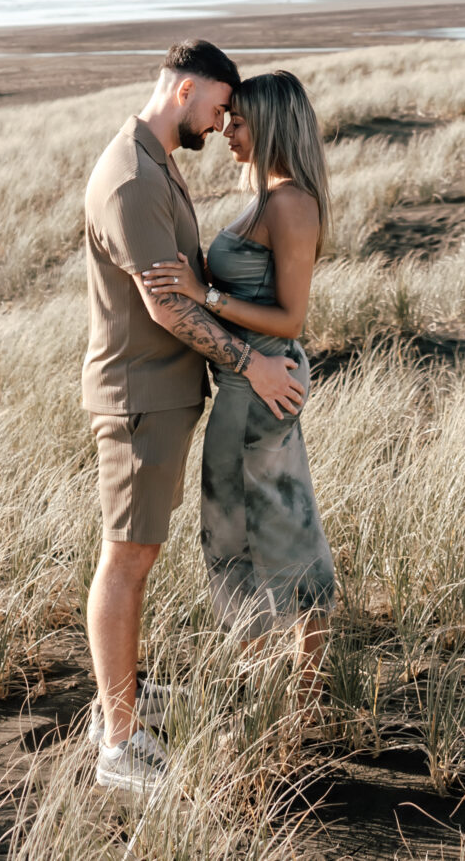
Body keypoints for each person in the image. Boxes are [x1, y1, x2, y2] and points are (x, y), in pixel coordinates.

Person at [81, 40, 305, 798]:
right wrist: (253, 363)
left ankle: (124, 706)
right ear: (186, 89)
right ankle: (118, 742)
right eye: (217, 107)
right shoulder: (132, 179)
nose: (220, 125)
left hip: (164, 397)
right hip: (140, 398)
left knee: (135, 554)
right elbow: (164, 302)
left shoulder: (153, 160)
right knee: (128, 558)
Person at [137, 70, 336, 695]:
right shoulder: (268, 195)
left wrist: (207, 294)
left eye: (240, 121)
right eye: (228, 117)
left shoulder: (290, 203)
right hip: (253, 384)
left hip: (258, 390)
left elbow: (291, 317)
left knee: (246, 531)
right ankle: (290, 690)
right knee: (274, 521)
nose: (227, 129)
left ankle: (286, 694)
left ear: (272, 126)